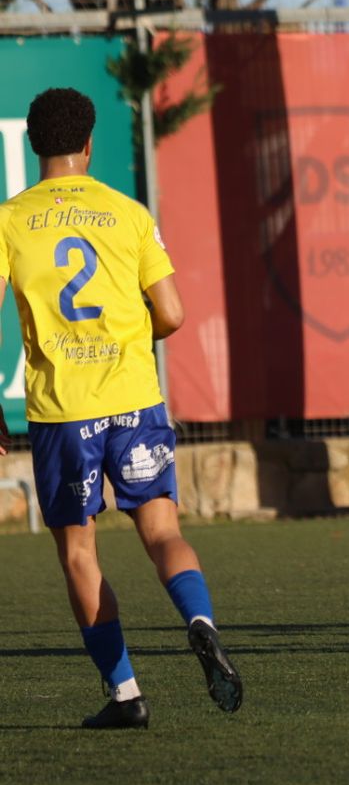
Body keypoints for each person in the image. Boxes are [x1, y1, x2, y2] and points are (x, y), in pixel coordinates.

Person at [0, 87, 242, 728]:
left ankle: (126, 695)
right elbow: (173, 313)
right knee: (162, 532)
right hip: (136, 400)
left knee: (80, 552)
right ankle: (199, 620)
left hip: (63, 412)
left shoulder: (10, 219)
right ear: (88, 144)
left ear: (33, 145)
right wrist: (129, 342)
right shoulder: (128, 213)